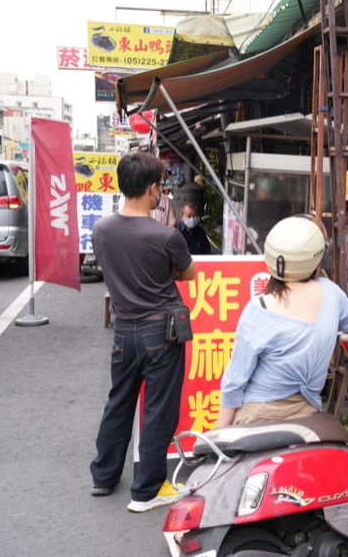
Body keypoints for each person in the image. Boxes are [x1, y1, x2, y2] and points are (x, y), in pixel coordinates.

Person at [90, 152, 197, 513]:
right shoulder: (165, 235)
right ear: (152, 189)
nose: (162, 192)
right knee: (158, 408)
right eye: (161, 185)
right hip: (160, 331)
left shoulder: (101, 229)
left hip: (123, 330)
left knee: (119, 401)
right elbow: (188, 274)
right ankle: (147, 490)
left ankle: (103, 476)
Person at [216, 215, 348, 427]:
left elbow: (234, 384)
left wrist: (216, 436)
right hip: (308, 419)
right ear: (315, 257)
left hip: (255, 419)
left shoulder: (259, 309)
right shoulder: (332, 294)